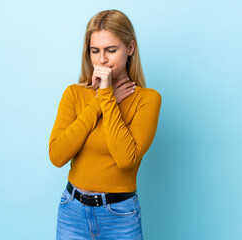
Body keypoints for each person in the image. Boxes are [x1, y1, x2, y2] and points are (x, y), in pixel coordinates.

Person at [49, 9, 161, 240]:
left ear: (130, 49)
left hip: (119, 215)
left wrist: (108, 97)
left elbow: (125, 159)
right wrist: (100, 101)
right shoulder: (74, 94)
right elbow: (57, 156)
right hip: (72, 211)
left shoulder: (147, 99)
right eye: (95, 51)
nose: (102, 59)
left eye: (111, 50)